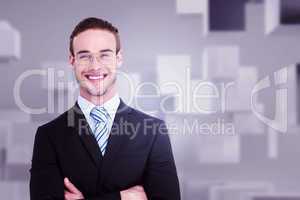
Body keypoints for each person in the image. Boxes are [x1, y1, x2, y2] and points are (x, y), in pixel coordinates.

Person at [30, 17, 180, 200]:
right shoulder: (49, 136)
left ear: (119, 58)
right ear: (72, 60)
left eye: (104, 55)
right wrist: (124, 197)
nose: (95, 66)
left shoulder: (153, 132)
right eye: (84, 56)